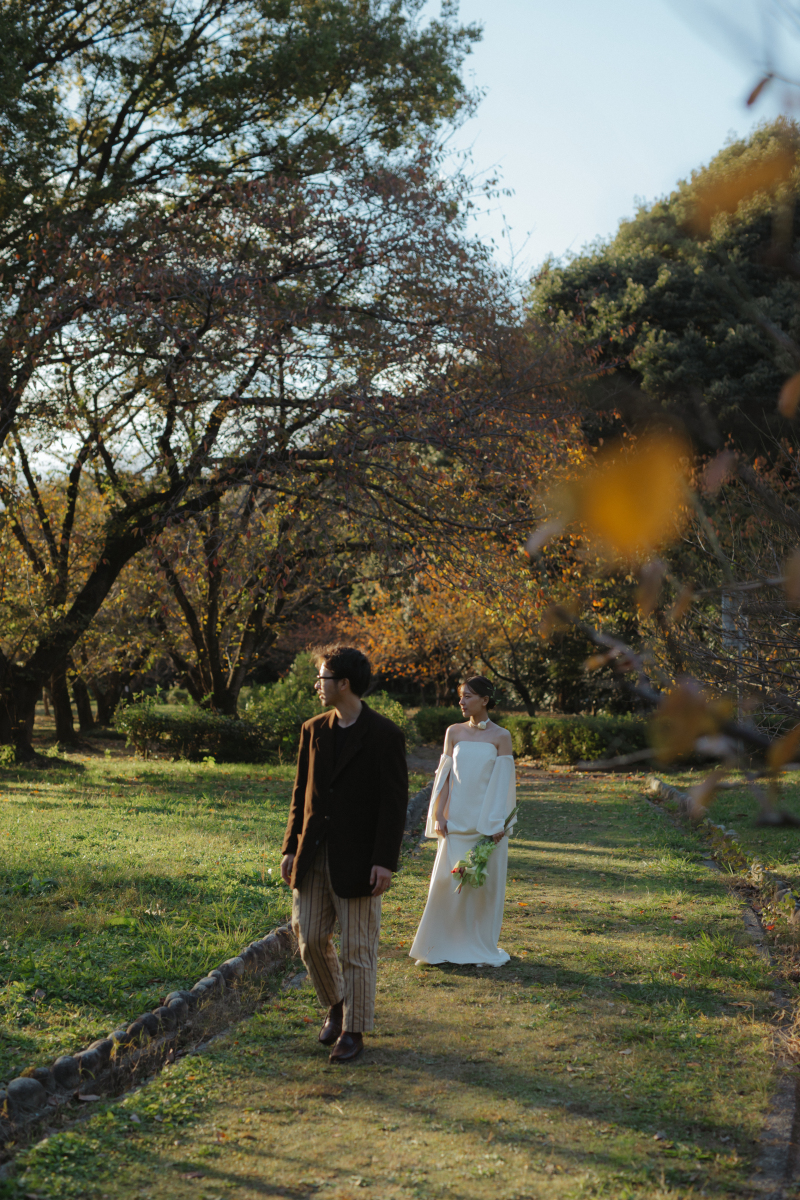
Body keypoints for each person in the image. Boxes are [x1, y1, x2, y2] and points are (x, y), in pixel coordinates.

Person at [280, 645, 408, 1063]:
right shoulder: (313, 729)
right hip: (313, 853)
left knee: (357, 948)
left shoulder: (385, 735)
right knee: (309, 936)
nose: (317, 685)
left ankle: (354, 1029)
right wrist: (289, 847)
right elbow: (301, 794)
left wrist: (385, 860)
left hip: (360, 858)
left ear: (344, 683)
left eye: (322, 678)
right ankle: (336, 1003)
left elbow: (393, 805)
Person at [409, 676, 516, 967]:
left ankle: (476, 945)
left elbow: (503, 784)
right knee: (446, 881)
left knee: (480, 888)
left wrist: (498, 824)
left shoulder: (501, 736)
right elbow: (443, 776)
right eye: (460, 696)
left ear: (485, 700)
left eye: (468, 696)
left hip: (487, 824)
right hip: (455, 820)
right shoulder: (453, 732)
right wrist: (438, 813)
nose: (461, 701)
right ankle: (438, 944)